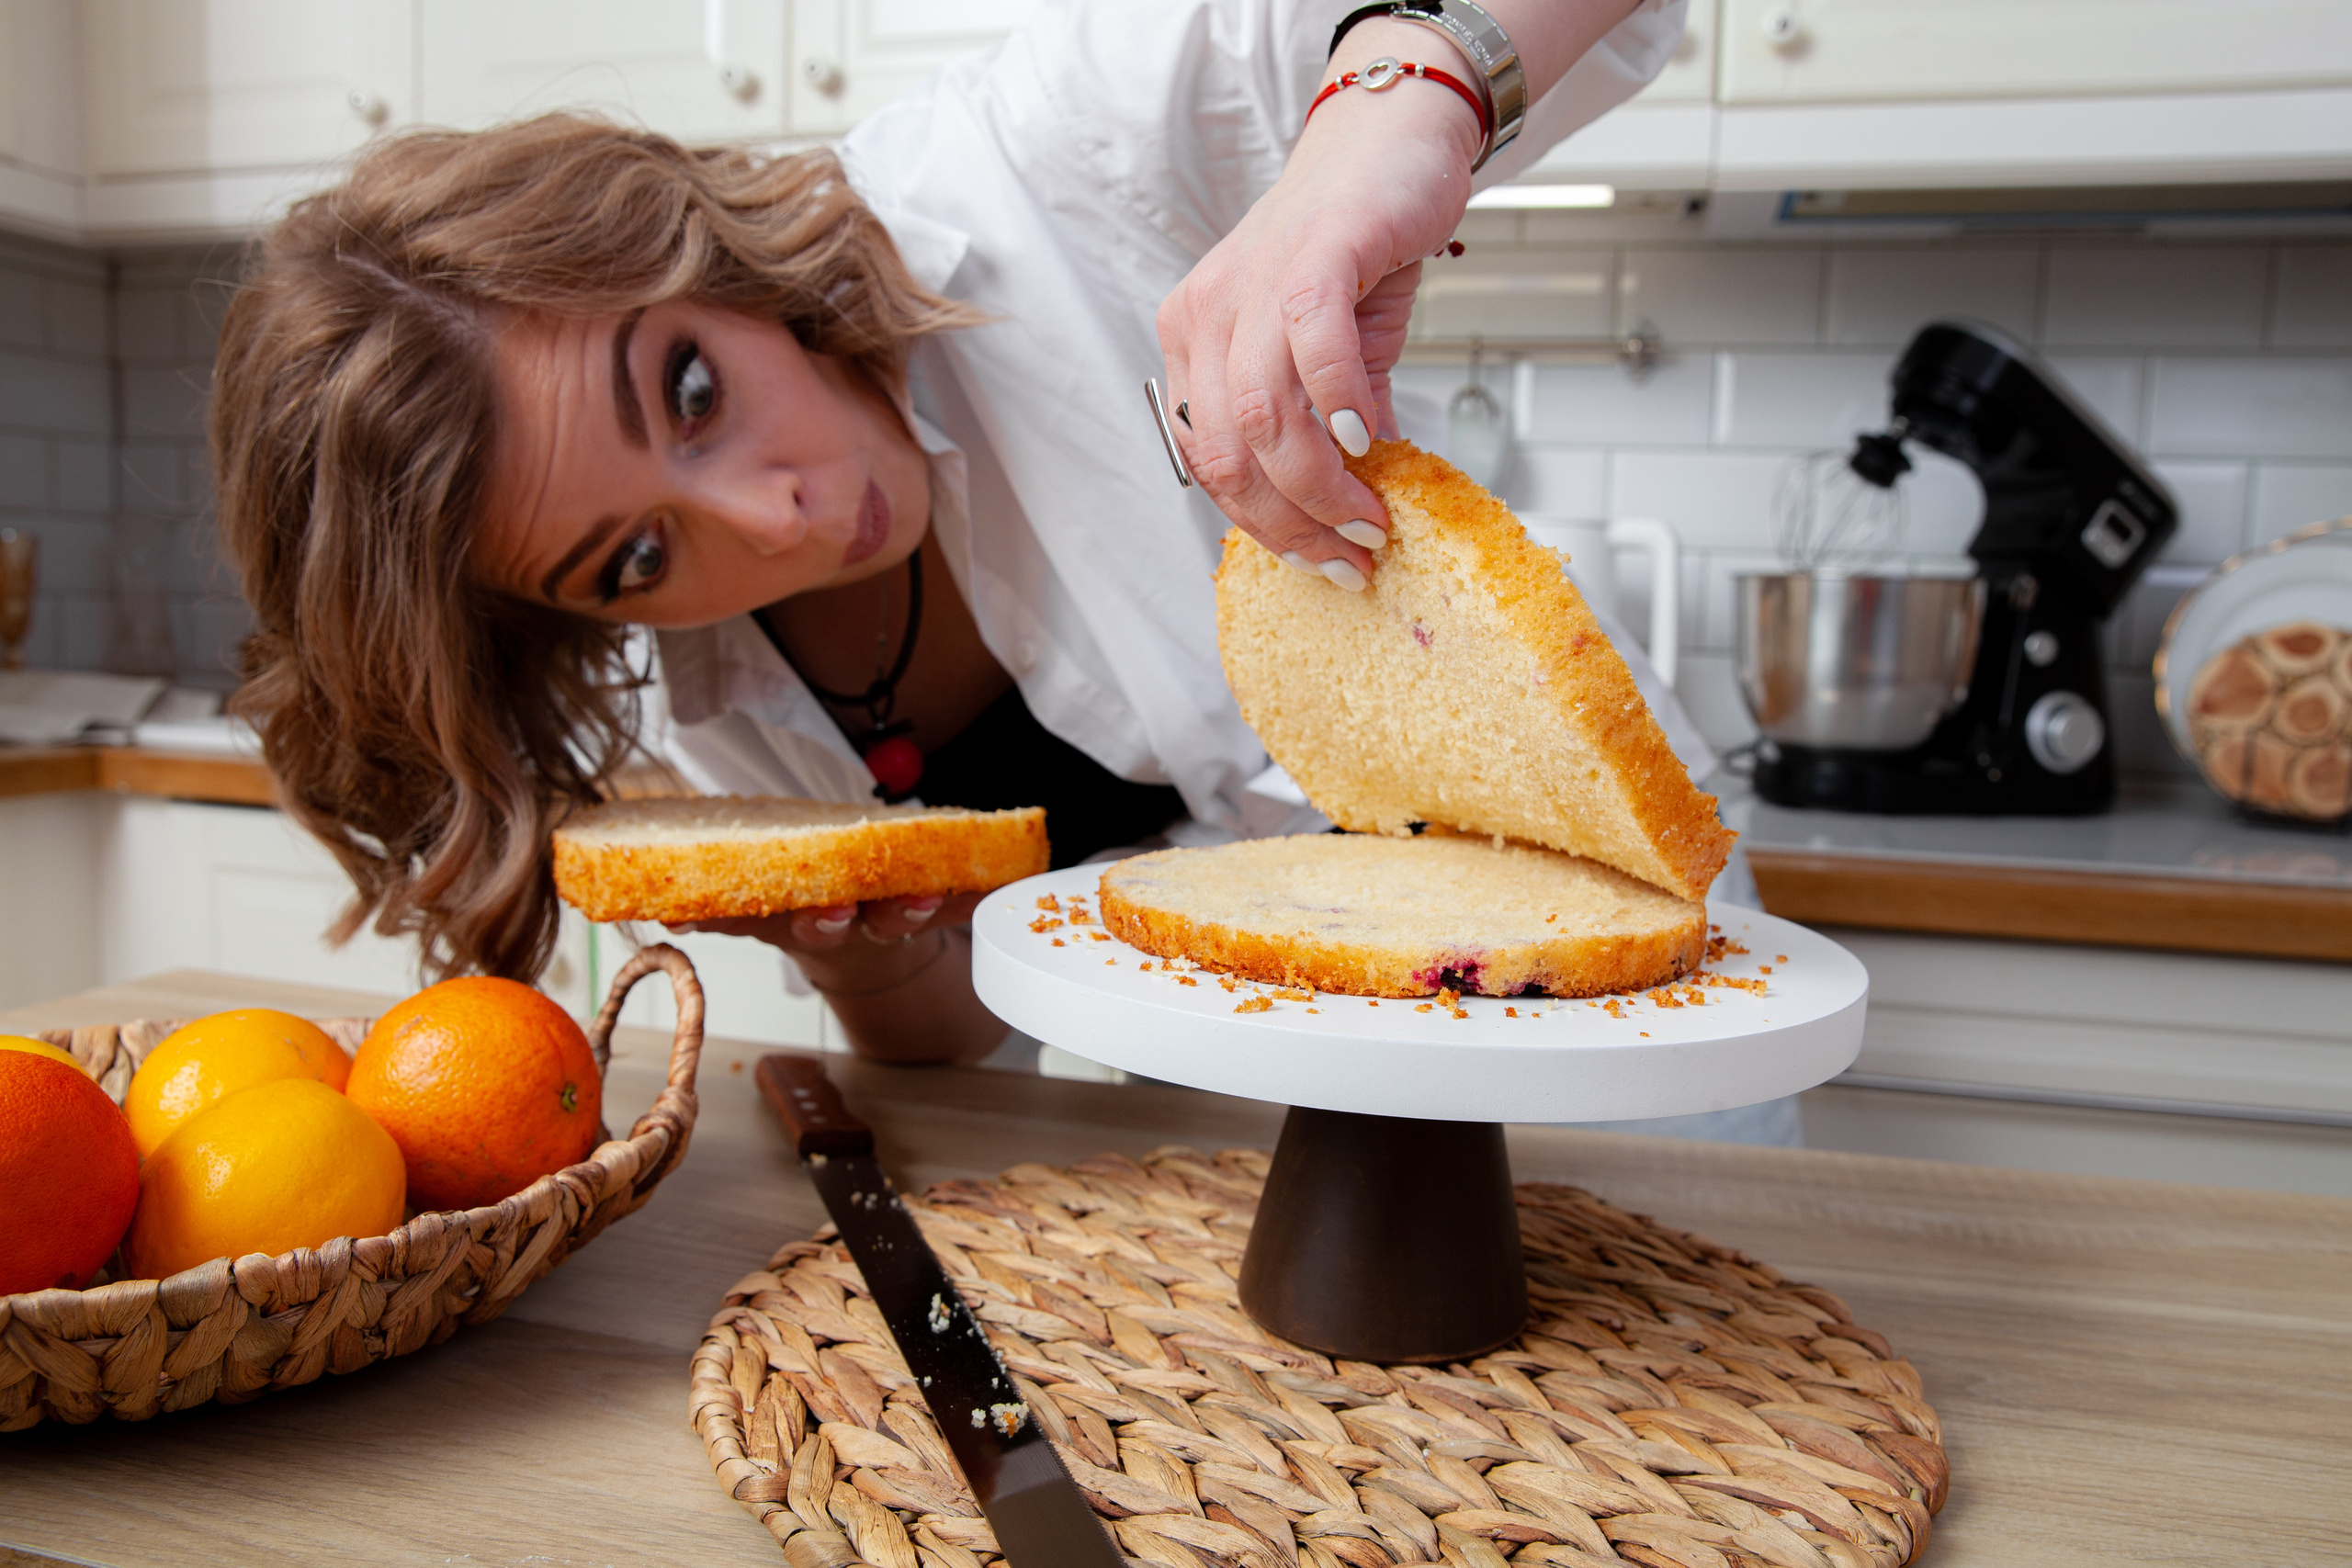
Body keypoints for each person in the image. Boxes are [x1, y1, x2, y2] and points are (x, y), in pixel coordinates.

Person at [211, 0, 1690, 1064]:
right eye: (635, 557)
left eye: (691, 387)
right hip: (1261, 1137)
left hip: (1629, 1003)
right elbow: (962, 1037)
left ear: (692, 255)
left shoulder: (1052, 155)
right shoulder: (717, 691)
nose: (773, 520)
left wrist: (1401, 101)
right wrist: (870, 965)